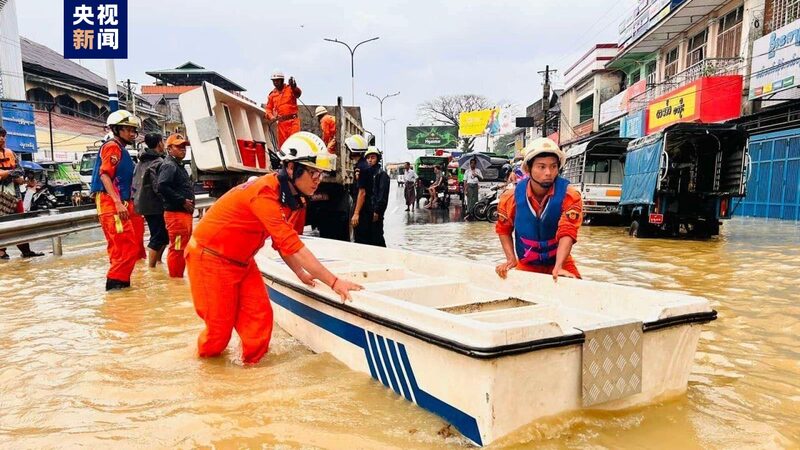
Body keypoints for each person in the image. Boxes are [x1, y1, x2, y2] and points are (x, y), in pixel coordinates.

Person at [185, 131, 362, 365]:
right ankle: (205, 371)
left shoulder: (292, 198)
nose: (318, 179)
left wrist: (300, 273)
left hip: (243, 262)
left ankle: (249, 374)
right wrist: (334, 282)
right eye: (312, 172)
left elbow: (283, 244)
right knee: (219, 332)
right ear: (291, 168)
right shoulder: (264, 194)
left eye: (320, 173)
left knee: (260, 323)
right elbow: (295, 246)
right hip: (209, 259)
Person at [494, 138, 583, 282]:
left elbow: (568, 231)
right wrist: (511, 259)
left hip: (560, 262)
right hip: (527, 263)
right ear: (528, 169)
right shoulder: (510, 198)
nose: (548, 172)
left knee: (577, 289)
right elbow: (503, 229)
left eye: (553, 166)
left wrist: (559, 266)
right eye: (541, 167)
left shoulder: (570, 195)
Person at [90, 110, 142, 290]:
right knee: (127, 250)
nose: (132, 133)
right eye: (128, 129)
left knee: (121, 249)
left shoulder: (121, 149)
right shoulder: (112, 147)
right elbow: (105, 175)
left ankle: (120, 292)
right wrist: (117, 202)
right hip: (112, 204)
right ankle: (116, 290)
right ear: (116, 130)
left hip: (118, 203)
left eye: (134, 130)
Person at [156, 133, 195, 278]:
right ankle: (175, 278)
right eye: (179, 147)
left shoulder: (176, 164)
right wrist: (182, 201)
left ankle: (178, 277)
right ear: (169, 149)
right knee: (177, 248)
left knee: (182, 247)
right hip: (176, 214)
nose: (183, 149)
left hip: (182, 214)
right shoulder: (169, 166)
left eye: (184, 146)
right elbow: (162, 186)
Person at [133, 132, 168, 267]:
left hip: (143, 203)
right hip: (155, 205)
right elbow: (158, 186)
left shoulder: (140, 162)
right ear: (159, 143)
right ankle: (152, 267)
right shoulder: (158, 162)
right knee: (158, 236)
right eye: (163, 141)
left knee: (161, 235)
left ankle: (158, 262)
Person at [265, 70, 302, 148]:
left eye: (277, 80)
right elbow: (268, 109)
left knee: (294, 143)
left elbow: (298, 94)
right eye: (274, 81)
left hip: (293, 122)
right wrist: (272, 117)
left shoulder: (290, 88)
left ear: (282, 80)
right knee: (283, 147)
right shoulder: (272, 95)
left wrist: (294, 87)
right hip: (281, 124)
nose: (275, 82)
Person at [350, 143, 376, 245]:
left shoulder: (362, 168)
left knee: (361, 239)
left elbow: (362, 192)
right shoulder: (364, 166)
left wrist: (356, 213)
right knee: (365, 238)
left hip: (363, 210)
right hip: (366, 208)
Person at [366, 147, 390, 247]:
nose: (370, 160)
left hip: (376, 212)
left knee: (377, 237)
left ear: (377, 159)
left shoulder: (381, 174)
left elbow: (382, 195)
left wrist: (377, 211)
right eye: (368, 158)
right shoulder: (368, 173)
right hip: (368, 211)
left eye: (373, 157)